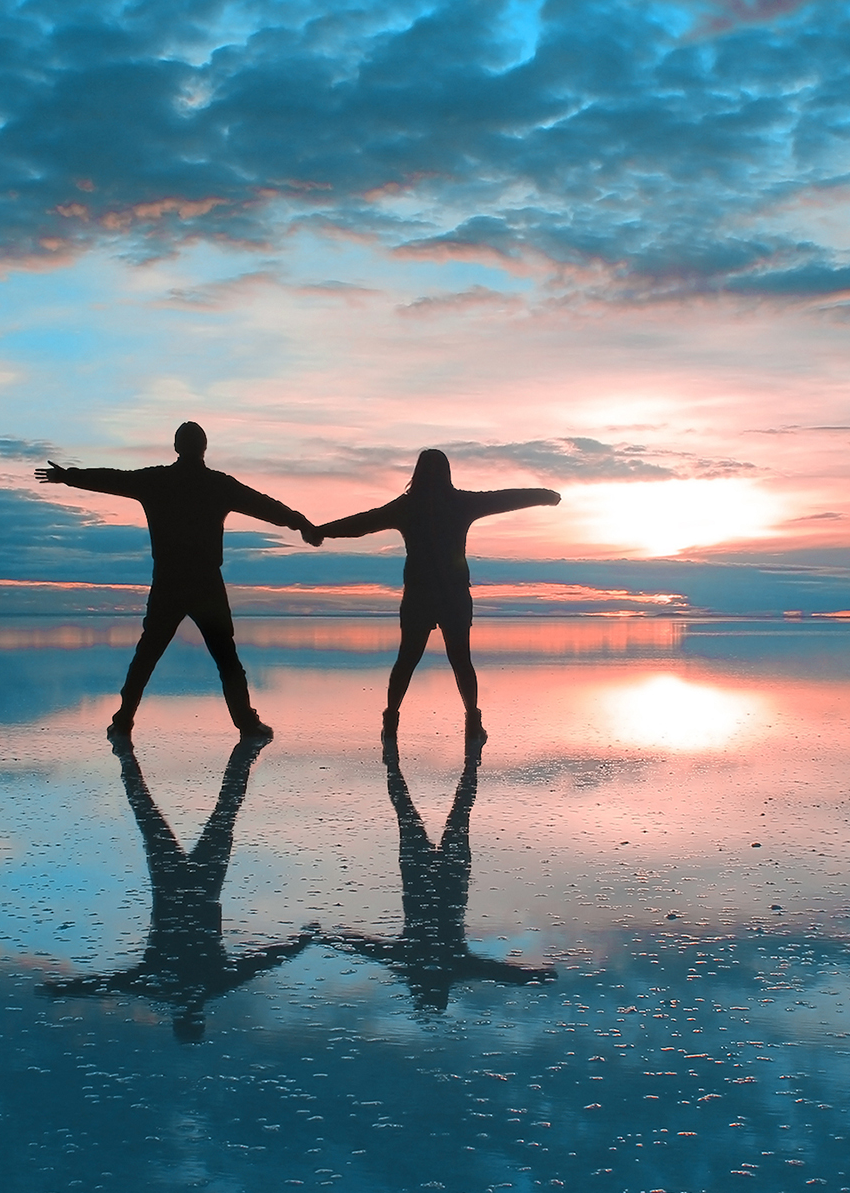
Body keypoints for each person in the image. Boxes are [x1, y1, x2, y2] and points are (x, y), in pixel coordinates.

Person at [37, 422, 319, 737]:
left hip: (170, 581)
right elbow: (264, 505)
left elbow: (112, 478)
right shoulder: (217, 484)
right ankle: (246, 723)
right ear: (204, 448)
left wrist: (69, 476)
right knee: (225, 657)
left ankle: (123, 720)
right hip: (204, 582)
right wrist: (301, 523)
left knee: (148, 654)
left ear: (176, 448)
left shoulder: (157, 480)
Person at [43, 735, 313, 1042]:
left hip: (196, 887)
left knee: (217, 814)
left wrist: (298, 944)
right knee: (155, 815)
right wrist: (64, 990)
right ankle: (126, 753)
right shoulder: (173, 986)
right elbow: (113, 983)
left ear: (194, 1018)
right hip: (179, 887)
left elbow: (259, 963)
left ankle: (240, 752)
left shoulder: (197, 985)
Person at [315, 449, 558, 740]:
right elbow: (503, 498)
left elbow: (363, 523)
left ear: (416, 473)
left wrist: (320, 531)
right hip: (452, 595)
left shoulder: (407, 506)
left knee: (407, 659)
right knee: (460, 660)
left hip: (420, 595)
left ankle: (391, 722)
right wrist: (543, 495)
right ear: (447, 473)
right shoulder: (460, 502)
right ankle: (472, 722)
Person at [324, 738, 555, 1012]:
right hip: (434, 878)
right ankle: (403, 764)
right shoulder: (425, 962)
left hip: (442, 879)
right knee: (416, 812)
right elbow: (497, 973)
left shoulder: (442, 964)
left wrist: (331, 937)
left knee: (449, 813)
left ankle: (456, 763)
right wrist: (331, 938)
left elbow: (367, 948)